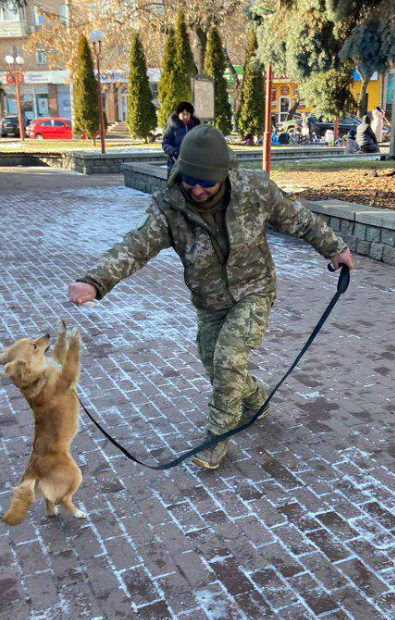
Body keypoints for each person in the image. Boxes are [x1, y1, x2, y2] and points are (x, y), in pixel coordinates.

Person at [68, 125, 354, 470]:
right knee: (214, 364)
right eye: (191, 180)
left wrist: (335, 248)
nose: (198, 189)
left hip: (254, 290)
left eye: (207, 182)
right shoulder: (169, 207)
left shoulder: (254, 189)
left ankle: (217, 437)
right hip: (210, 301)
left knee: (228, 358)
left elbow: (300, 220)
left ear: (223, 174)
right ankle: (255, 397)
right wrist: (95, 281)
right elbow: (137, 246)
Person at [162, 101, 200, 177]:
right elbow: (166, 143)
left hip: (192, 163)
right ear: (178, 114)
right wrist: (173, 151)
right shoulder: (172, 126)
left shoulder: (196, 127)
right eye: (183, 114)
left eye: (187, 114)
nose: (185, 117)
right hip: (175, 162)